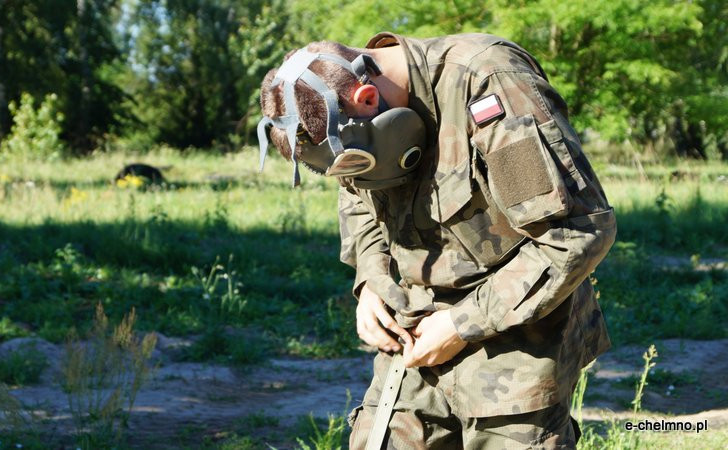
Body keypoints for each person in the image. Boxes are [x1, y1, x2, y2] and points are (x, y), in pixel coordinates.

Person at [257, 32, 616, 449]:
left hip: (518, 341)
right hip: (415, 332)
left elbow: (575, 232)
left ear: (367, 98)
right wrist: (372, 280)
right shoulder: (350, 121)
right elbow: (357, 196)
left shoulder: (489, 81)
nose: (353, 176)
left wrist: (461, 324)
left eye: (355, 163)